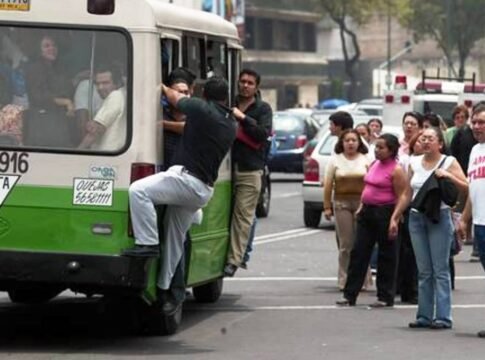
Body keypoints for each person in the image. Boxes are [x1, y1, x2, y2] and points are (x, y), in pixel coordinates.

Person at [123, 76, 237, 315]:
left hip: (186, 181)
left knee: (138, 191)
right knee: (175, 240)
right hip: (202, 190)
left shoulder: (202, 109)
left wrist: (160, 83)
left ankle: (148, 243)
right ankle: (166, 291)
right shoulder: (229, 123)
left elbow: (174, 98)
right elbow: (187, 128)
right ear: (225, 97)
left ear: (204, 95)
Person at [336, 134, 408, 307]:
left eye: (381, 148)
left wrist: (394, 219)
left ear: (391, 150)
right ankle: (350, 294)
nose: (377, 150)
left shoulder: (396, 169)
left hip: (385, 212)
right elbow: (367, 187)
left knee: (386, 256)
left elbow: (403, 196)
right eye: (376, 147)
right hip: (368, 212)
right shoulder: (375, 164)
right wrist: (362, 205)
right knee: (359, 252)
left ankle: (384, 296)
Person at [407, 127, 468, 330]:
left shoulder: (449, 162)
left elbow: (466, 185)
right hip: (416, 218)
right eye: (423, 138)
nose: (425, 141)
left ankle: (443, 317)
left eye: (430, 138)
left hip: (439, 217)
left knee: (440, 269)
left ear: (440, 143)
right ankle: (424, 315)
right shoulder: (414, 162)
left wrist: (447, 176)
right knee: (424, 270)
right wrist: (397, 215)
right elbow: (407, 193)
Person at [224, 69, 272, 277]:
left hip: (250, 169)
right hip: (225, 169)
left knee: (243, 216)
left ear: (256, 87)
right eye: (242, 81)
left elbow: (263, 134)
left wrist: (242, 118)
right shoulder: (228, 103)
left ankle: (234, 260)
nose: (245, 85)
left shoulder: (263, 108)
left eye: (250, 83)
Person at [323, 129, 371, 290]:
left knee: (362, 243)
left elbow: (372, 183)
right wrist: (327, 207)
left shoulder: (366, 159)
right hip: (341, 203)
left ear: (359, 143)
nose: (350, 143)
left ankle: (363, 280)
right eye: (347, 140)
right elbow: (328, 184)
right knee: (346, 244)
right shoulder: (334, 160)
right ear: (341, 143)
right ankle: (344, 279)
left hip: (362, 204)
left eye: (354, 140)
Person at [458, 105, 485, 338]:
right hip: (480, 222)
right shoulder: (476, 151)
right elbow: (472, 189)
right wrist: (465, 219)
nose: (477, 126)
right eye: (474, 122)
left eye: (482, 122)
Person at [24, 34, 74, 147]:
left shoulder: (59, 68)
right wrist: (65, 102)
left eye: (54, 45)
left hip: (59, 120)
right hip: (42, 122)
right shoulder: (35, 68)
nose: (52, 48)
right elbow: (37, 96)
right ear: (39, 50)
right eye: (46, 46)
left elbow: (66, 88)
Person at [78, 64, 126, 151]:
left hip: (106, 156)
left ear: (117, 83)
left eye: (105, 83)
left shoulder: (115, 96)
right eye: (97, 83)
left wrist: (77, 153)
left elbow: (95, 131)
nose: (100, 87)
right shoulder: (124, 94)